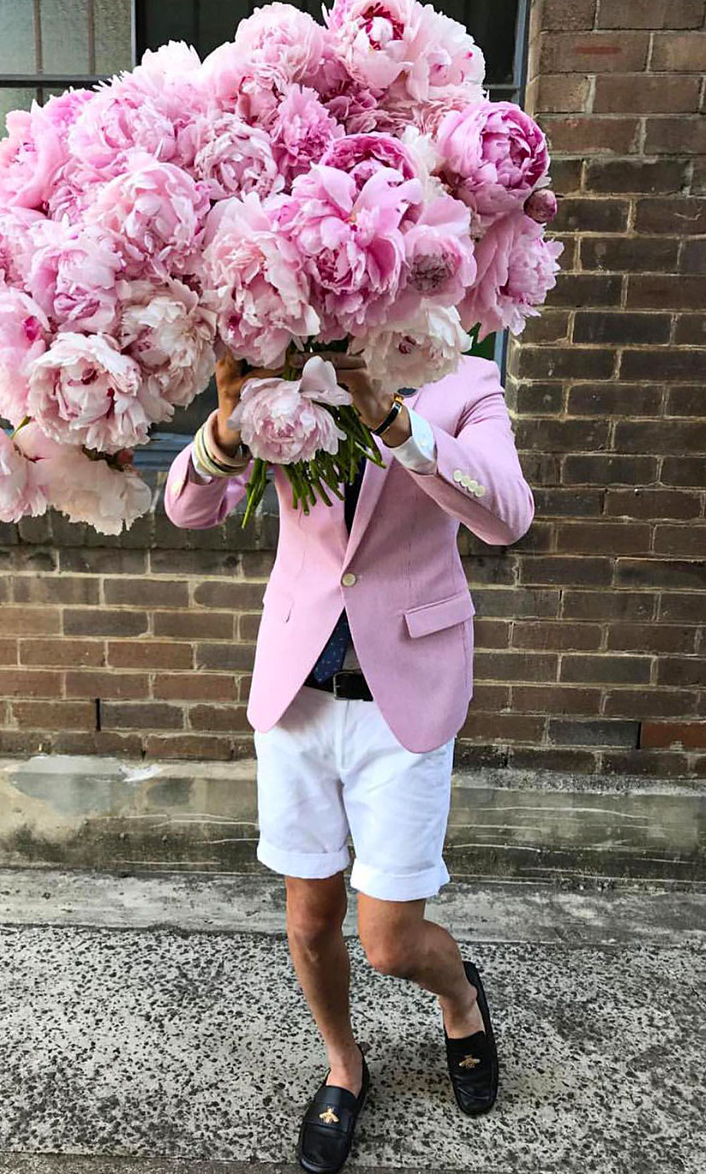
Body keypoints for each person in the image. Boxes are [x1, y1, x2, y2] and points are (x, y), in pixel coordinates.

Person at [163, 348, 535, 1174]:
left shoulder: (467, 383)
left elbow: (508, 516)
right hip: (298, 693)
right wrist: (228, 429)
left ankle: (461, 998)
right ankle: (344, 1065)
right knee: (308, 921)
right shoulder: (287, 367)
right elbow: (188, 509)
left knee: (392, 943)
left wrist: (392, 419)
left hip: (404, 695)